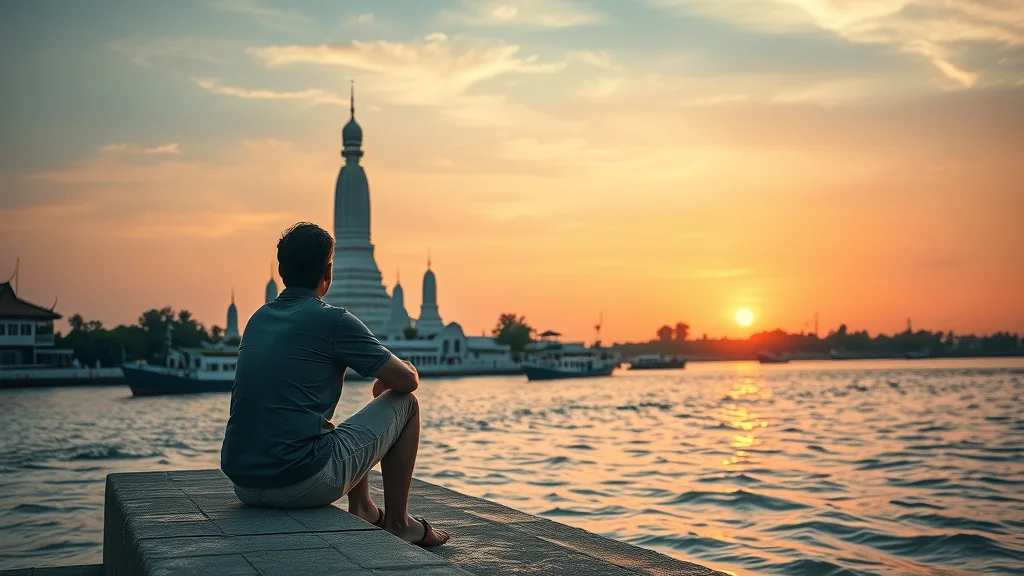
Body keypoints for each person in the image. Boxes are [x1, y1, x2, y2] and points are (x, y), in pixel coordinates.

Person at [221, 222, 449, 547]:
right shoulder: (335, 320)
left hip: (244, 483)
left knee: (336, 428)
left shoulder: (258, 318)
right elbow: (406, 382)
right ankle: (399, 522)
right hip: (299, 483)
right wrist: (404, 370)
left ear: (283, 270)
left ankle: (365, 509)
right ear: (327, 271)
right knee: (406, 404)